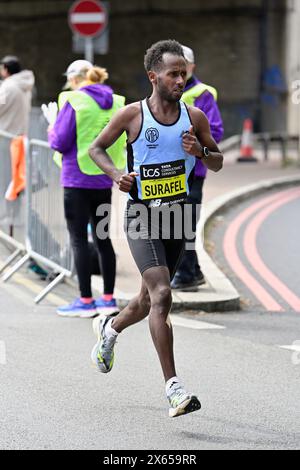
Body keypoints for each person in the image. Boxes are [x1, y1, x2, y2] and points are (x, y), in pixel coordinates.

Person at [89, 40, 223, 418]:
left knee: (148, 300)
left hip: (177, 217)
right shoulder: (133, 115)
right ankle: (174, 388)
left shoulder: (194, 116)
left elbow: (218, 162)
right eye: (173, 74)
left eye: (184, 73)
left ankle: (110, 328)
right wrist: (117, 175)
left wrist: (200, 153)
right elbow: (97, 149)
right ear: (154, 76)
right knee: (163, 293)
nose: (181, 79)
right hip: (141, 216)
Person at [48, 60, 126, 318]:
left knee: (79, 240)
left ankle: (85, 300)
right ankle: (108, 300)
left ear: (74, 79)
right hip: (104, 178)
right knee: (104, 239)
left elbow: (60, 141)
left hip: (77, 179)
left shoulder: (75, 101)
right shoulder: (116, 101)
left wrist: (51, 127)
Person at [171, 45, 224, 290]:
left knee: (184, 222)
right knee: (178, 221)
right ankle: (192, 270)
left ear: (192, 67)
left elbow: (216, 130)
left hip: (194, 169)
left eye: (184, 67)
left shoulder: (203, 93)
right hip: (171, 168)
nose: (179, 73)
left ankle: (186, 273)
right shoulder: (167, 91)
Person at [0, 55, 35, 135]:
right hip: (20, 137)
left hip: (5, 135)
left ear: (6, 69)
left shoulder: (7, 86)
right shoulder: (25, 86)